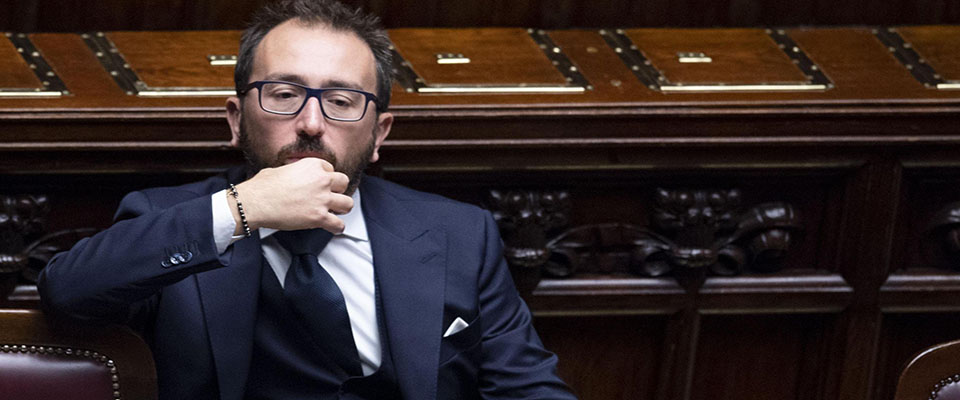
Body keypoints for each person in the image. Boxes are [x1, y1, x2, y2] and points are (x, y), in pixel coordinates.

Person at [37, 0, 576, 399]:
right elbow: (66, 292)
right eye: (285, 95)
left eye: (341, 100)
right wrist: (240, 210)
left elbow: (527, 388)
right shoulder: (166, 219)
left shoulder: (461, 234)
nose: (312, 124)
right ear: (235, 119)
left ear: (380, 133)